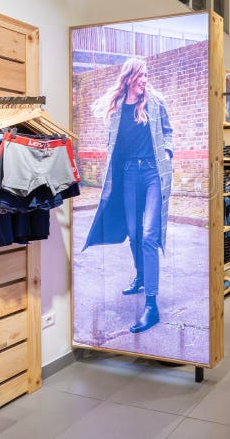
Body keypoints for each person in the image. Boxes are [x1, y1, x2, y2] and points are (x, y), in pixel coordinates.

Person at [83, 57, 173, 334]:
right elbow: (114, 144)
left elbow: (168, 132)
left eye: (147, 75)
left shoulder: (156, 102)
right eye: (141, 75)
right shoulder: (118, 107)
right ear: (129, 77)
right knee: (133, 234)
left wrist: (168, 152)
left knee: (148, 234)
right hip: (129, 176)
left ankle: (151, 305)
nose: (145, 79)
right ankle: (141, 276)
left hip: (153, 174)